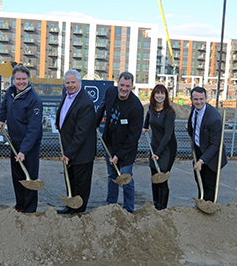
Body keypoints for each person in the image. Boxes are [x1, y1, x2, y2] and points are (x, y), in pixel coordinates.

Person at [0, 65, 43, 213]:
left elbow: (34, 129)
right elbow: (4, 106)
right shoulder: (10, 92)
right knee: (17, 175)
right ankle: (20, 204)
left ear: (28, 80)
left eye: (24, 79)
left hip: (29, 145)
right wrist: (1, 119)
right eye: (18, 79)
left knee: (29, 177)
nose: (21, 82)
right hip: (14, 142)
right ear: (13, 79)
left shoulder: (34, 100)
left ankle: (29, 209)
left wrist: (24, 150)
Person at [96, 71, 143, 213]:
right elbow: (102, 107)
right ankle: (111, 205)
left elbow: (134, 136)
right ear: (117, 83)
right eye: (122, 85)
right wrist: (95, 123)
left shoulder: (136, 107)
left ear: (132, 86)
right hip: (109, 142)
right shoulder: (110, 92)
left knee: (126, 178)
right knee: (112, 176)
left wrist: (120, 155)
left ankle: (128, 209)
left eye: (127, 86)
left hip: (126, 148)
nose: (124, 89)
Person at [55, 70, 96, 215]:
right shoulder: (66, 95)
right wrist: (58, 123)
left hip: (81, 152)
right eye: (67, 82)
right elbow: (63, 114)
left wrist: (68, 153)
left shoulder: (85, 102)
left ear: (80, 82)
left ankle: (79, 211)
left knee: (81, 184)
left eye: (73, 82)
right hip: (69, 149)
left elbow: (81, 133)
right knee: (70, 180)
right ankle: (71, 207)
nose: (70, 85)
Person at [186, 86, 227, 202]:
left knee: (209, 186)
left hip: (212, 156)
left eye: (201, 99)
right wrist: (189, 129)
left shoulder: (214, 118)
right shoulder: (194, 110)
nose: (198, 102)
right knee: (200, 181)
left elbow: (215, 144)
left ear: (206, 98)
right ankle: (201, 205)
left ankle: (209, 210)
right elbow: (193, 125)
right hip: (199, 149)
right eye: (195, 99)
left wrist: (201, 161)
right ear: (192, 99)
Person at [143, 84, 177, 210]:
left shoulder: (169, 112)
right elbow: (148, 118)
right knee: (154, 177)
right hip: (154, 147)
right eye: (157, 93)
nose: (160, 96)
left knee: (162, 178)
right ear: (153, 95)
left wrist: (158, 152)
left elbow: (168, 135)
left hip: (167, 149)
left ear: (166, 96)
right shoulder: (151, 109)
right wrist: (145, 126)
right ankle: (156, 204)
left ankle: (162, 209)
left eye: (162, 93)